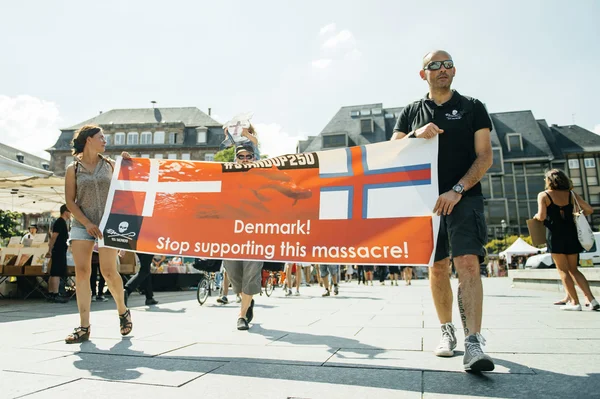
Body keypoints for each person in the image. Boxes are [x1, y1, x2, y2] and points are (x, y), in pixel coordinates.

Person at [392, 50, 495, 372]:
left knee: (467, 263)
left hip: (465, 197)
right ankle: (446, 332)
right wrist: (414, 135)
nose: (442, 69)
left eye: (448, 64)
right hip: (426, 202)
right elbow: (391, 152)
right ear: (423, 74)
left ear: (454, 71)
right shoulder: (411, 111)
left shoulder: (472, 107)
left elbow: (485, 156)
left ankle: (474, 342)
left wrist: (458, 190)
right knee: (437, 268)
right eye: (434, 65)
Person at [63, 124, 132, 343]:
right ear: (89, 139)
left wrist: (129, 166)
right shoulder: (72, 169)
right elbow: (70, 202)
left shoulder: (111, 165)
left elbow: (129, 190)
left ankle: (123, 311)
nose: (105, 141)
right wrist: (86, 223)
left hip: (108, 224)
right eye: (101, 137)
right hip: (82, 224)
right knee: (82, 273)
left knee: (109, 272)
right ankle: (84, 327)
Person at [533, 169, 599, 311]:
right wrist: (576, 211)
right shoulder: (571, 194)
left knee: (562, 270)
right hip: (571, 234)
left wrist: (536, 217)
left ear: (549, 181)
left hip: (555, 235)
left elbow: (542, 216)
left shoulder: (544, 195)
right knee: (574, 269)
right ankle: (592, 299)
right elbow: (589, 210)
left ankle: (575, 303)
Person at [222, 144, 264, 330]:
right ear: (235, 159)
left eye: (249, 156)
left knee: (251, 273)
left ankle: (242, 315)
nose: (245, 159)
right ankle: (247, 300)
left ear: (254, 158)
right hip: (231, 233)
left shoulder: (261, 175)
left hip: (256, 233)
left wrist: (249, 136)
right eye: (241, 156)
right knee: (233, 274)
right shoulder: (226, 176)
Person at [45, 205, 70, 303]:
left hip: (58, 249)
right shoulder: (60, 222)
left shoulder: (61, 222)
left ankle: (51, 293)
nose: (71, 214)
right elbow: (54, 237)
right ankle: (55, 293)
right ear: (65, 212)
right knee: (57, 273)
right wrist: (50, 250)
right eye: (70, 211)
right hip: (58, 249)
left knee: (54, 272)